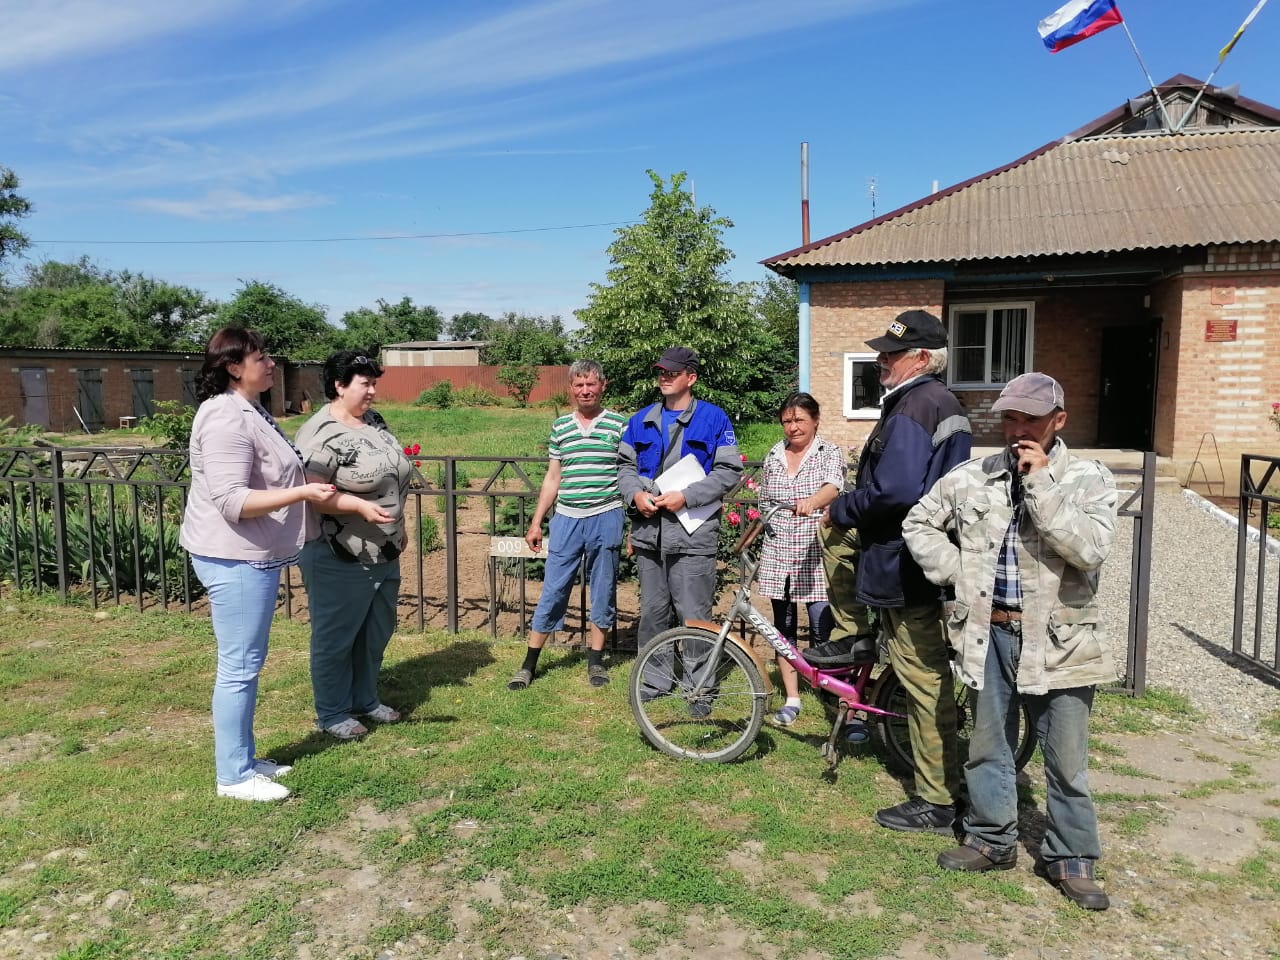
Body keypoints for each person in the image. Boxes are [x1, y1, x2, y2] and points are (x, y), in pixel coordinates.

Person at [904, 372, 1119, 911]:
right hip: (987, 632)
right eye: (1010, 418)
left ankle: (1072, 855)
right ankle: (990, 837)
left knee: (1065, 759)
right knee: (988, 747)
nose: (1018, 429)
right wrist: (956, 572)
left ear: (1058, 421)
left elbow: (1090, 551)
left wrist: (1042, 485)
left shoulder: (1088, 479)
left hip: (1058, 641)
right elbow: (919, 523)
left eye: (1031, 419)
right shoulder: (972, 476)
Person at [825, 309, 972, 834]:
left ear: (923, 359)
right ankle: (854, 639)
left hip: (908, 562)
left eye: (893, 352)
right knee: (920, 673)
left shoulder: (918, 404)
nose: (882, 359)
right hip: (913, 557)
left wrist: (843, 507)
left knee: (922, 677)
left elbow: (898, 490)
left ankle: (937, 799)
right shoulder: (934, 403)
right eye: (883, 350)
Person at [181, 327, 341, 802]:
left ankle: (246, 758)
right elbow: (232, 501)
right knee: (239, 666)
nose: (271, 364)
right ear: (234, 366)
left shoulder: (248, 410)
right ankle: (232, 776)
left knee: (245, 663)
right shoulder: (226, 419)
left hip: (247, 554)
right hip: (234, 556)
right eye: (262, 357)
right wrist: (305, 492)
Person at [295, 350, 413, 741]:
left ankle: (365, 698)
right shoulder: (320, 432)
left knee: (376, 632)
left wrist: (400, 521)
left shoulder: (374, 423)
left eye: (373, 382)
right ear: (339, 385)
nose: (373, 391)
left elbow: (393, 475)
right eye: (364, 383)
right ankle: (331, 712)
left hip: (384, 549)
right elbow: (311, 493)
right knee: (336, 637)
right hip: (338, 552)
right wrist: (358, 506)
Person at [508, 359, 626, 691]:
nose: (585, 390)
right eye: (579, 385)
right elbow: (553, 477)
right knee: (554, 589)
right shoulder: (561, 427)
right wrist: (536, 522)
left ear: (603, 385)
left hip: (607, 515)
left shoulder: (620, 425)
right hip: (567, 519)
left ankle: (596, 661)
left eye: (591, 384)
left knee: (603, 589)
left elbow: (629, 474)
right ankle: (529, 664)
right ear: (571, 389)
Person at [617, 346, 742, 645]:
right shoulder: (639, 420)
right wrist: (635, 494)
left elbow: (729, 470)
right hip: (649, 534)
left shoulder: (715, 418)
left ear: (692, 377)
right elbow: (624, 467)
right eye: (661, 372)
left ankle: (699, 688)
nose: (665, 377)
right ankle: (652, 682)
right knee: (652, 613)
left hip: (692, 537)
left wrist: (686, 496)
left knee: (695, 615)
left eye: (673, 372)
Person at [754, 392, 844, 728]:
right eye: (787, 421)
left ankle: (831, 694)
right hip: (780, 554)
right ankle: (792, 697)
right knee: (783, 628)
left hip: (815, 553)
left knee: (823, 627)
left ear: (815, 420)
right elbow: (765, 499)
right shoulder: (774, 456)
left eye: (799, 420)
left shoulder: (828, 452)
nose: (793, 427)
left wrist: (812, 502)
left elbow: (834, 486)